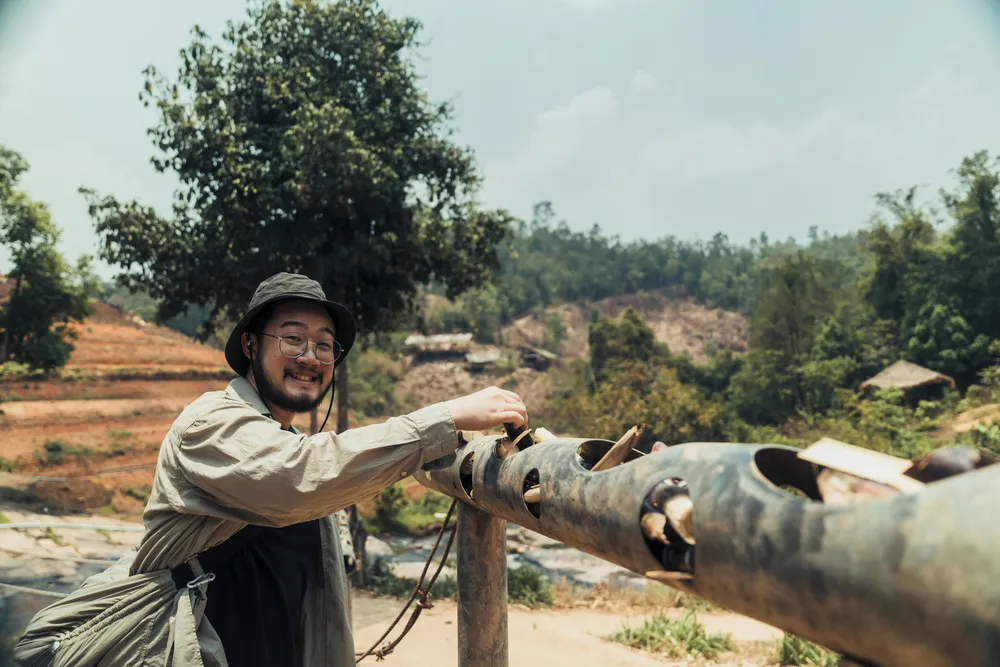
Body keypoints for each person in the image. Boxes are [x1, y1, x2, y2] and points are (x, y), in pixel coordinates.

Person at [14, 272, 528, 667]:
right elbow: (299, 478)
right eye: (292, 338)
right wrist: (441, 417)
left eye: (325, 344)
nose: (311, 356)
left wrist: (467, 445)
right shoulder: (210, 423)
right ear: (250, 345)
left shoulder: (287, 438)